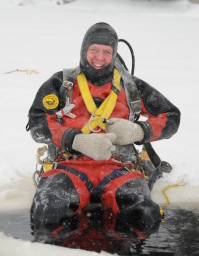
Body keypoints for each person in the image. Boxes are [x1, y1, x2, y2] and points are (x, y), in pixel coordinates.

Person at [28, 22, 180, 232]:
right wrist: (75, 140)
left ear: (114, 54)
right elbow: (37, 122)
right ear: (84, 50)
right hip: (69, 168)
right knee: (46, 216)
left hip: (119, 170)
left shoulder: (132, 86)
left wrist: (139, 131)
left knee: (145, 217)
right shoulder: (61, 83)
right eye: (94, 50)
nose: (99, 58)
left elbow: (171, 117)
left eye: (107, 52)